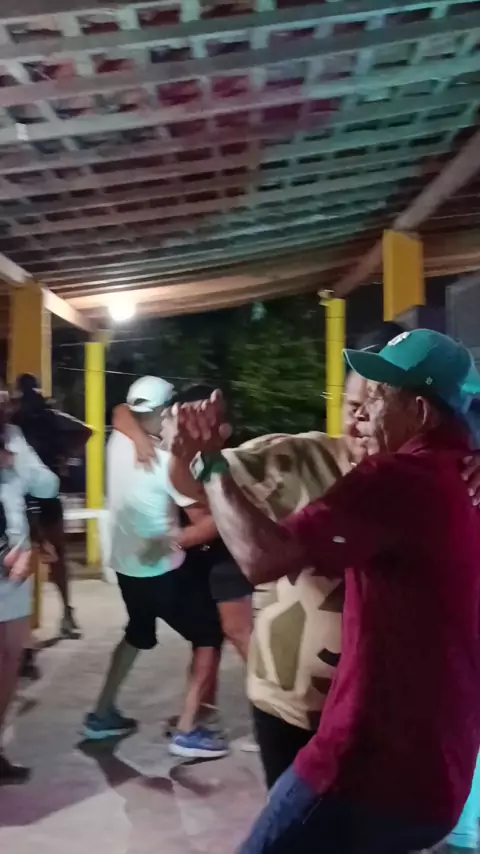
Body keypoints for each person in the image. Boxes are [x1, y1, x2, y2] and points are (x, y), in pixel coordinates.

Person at [168, 329, 480, 854]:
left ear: (420, 411)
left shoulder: (400, 476)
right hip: (410, 756)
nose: (364, 416)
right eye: (355, 403)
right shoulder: (452, 473)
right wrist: (190, 459)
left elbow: (262, 558)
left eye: (378, 399)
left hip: (366, 760)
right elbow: (187, 487)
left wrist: (211, 463)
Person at [83, 376, 227, 759]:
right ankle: (188, 731)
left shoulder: (118, 441)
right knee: (209, 636)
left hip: (127, 570)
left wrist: (138, 431)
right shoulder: (168, 464)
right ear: (166, 412)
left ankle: (101, 713)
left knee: (137, 633)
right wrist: (178, 538)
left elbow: (119, 411)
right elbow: (210, 522)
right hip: (164, 571)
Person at [113, 384, 254, 662]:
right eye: (179, 417)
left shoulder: (227, 462)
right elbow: (121, 411)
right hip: (185, 557)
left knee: (234, 630)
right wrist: (140, 438)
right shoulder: (167, 448)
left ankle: (272, 685)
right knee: (206, 636)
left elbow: (218, 520)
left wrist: (171, 541)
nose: (179, 424)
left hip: (225, 554)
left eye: (199, 417)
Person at [0, 386, 60, 784]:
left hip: (14, 574)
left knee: (9, 659)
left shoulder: (14, 438)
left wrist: (17, 463)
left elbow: (47, 486)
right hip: (8, 563)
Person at [11, 373, 85, 641]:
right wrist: (65, 456)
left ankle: (49, 619)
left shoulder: (18, 419)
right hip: (38, 493)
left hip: (27, 493)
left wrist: (65, 456)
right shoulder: (46, 415)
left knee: (28, 557)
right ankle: (64, 614)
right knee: (53, 556)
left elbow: (84, 431)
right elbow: (85, 430)